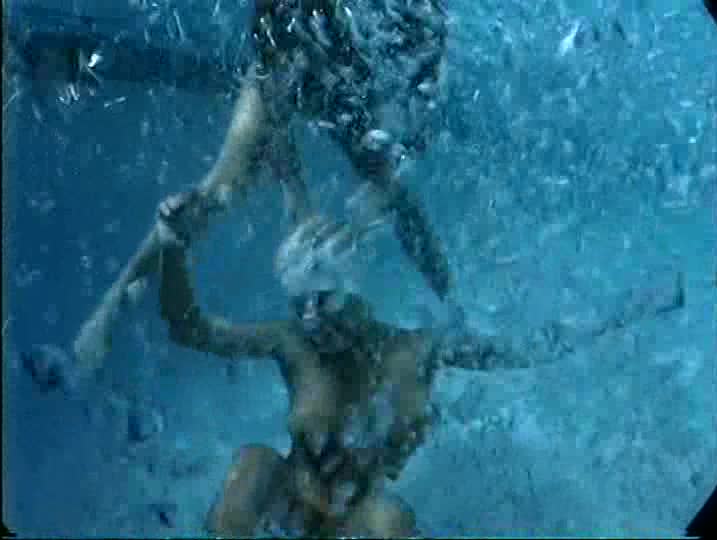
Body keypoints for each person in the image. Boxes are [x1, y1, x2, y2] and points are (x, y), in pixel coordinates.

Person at [73, 0, 455, 371]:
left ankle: (451, 300)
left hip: (344, 74)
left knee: (390, 191)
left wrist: (335, 220)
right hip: (297, 61)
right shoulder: (278, 55)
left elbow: (387, 183)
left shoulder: (356, 59)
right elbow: (274, 130)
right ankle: (110, 307)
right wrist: (298, 205)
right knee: (218, 190)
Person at [154, 192, 542, 537]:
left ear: (355, 290)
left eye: (322, 301)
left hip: (356, 518)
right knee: (252, 465)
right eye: (299, 305)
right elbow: (189, 330)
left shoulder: (415, 351)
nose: (311, 319)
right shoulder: (292, 343)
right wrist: (173, 247)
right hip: (290, 504)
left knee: (391, 520)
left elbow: (518, 352)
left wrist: (577, 334)